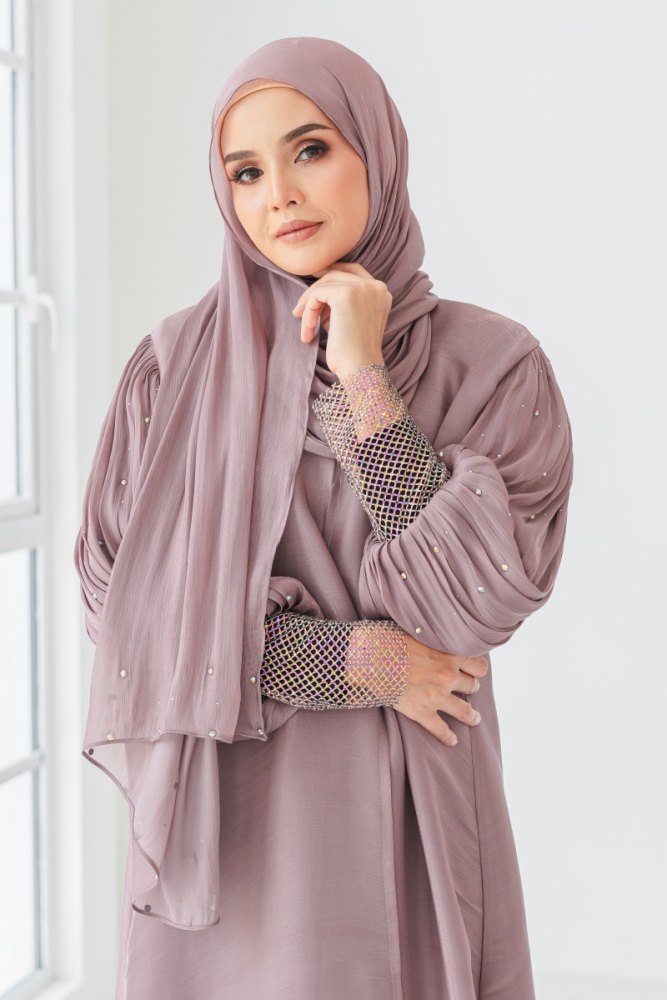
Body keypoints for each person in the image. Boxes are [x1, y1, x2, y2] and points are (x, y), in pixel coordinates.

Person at [73, 35, 573, 1000]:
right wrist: (357, 663)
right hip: (230, 820)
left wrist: (361, 377)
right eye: (246, 172)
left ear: (375, 150)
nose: (280, 196)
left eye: (309, 149)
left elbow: (464, 605)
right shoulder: (172, 373)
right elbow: (127, 622)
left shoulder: (493, 367)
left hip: (414, 809)